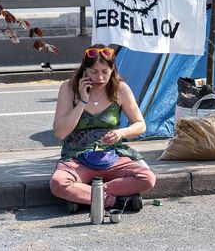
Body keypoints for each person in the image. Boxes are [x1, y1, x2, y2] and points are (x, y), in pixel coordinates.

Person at [50, 44, 156, 213]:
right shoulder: (69, 88)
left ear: (113, 69)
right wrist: (82, 101)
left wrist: (122, 132)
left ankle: (86, 197)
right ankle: (114, 200)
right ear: (84, 70)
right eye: (94, 71)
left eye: (105, 72)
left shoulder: (120, 89)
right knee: (58, 183)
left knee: (147, 178)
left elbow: (140, 125)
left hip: (112, 155)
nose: (99, 78)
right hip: (78, 156)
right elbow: (61, 133)